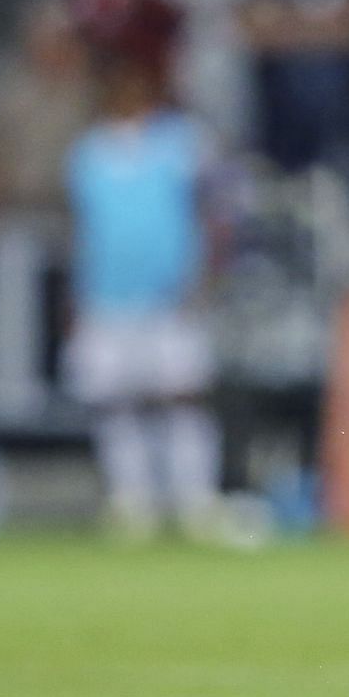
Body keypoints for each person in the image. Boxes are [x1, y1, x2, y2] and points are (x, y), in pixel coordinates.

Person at [63, 61, 220, 539]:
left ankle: (195, 499)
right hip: (107, 293)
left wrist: (206, 273)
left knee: (183, 396)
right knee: (115, 402)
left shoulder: (181, 143)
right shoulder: (86, 154)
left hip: (170, 293)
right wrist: (76, 293)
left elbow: (212, 210)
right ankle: (132, 501)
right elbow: (81, 228)